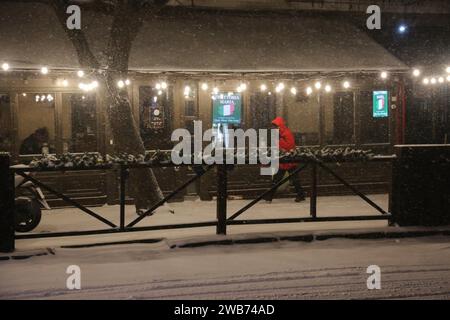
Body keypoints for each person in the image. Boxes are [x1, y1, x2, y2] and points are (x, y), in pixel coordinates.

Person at [264, 117, 306, 203]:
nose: (276, 128)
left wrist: (278, 142)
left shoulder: (286, 133)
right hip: (285, 160)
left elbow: (289, 146)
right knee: (291, 179)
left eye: (276, 126)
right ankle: (300, 194)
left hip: (288, 160)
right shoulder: (283, 133)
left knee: (280, 179)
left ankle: (269, 196)